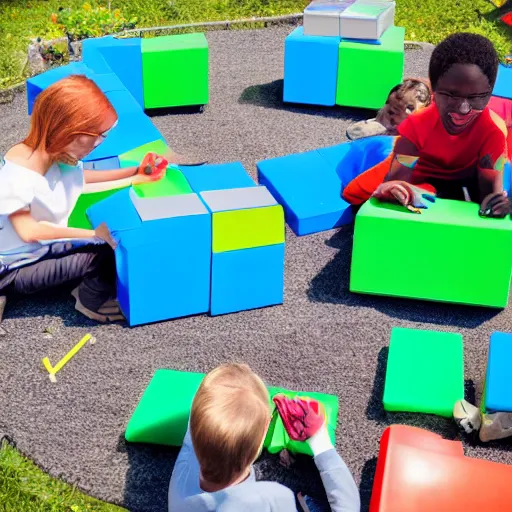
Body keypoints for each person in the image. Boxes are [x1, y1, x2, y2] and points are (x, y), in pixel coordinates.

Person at [0, 75, 163, 323]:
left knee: (102, 243)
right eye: (97, 134)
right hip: (12, 268)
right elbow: (28, 230)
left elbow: (83, 178)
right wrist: (92, 235)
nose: (100, 142)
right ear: (70, 131)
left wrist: (135, 175)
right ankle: (89, 301)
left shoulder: (52, 156)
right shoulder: (19, 175)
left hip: (37, 252)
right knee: (101, 255)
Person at [342, 33, 510, 218]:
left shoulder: (492, 132)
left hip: (467, 174)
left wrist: (494, 204)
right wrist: (394, 189)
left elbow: (489, 195)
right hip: (424, 172)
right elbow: (396, 180)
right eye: (451, 95)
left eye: (475, 97)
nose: (463, 109)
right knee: (356, 193)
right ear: (434, 92)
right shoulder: (418, 125)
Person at [168, 363, 361, 512]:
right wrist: (320, 442)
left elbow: (196, 413)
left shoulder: (180, 481)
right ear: (264, 434)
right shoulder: (273, 499)